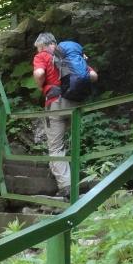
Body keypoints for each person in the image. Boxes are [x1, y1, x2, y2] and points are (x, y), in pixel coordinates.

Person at [32, 32, 98, 198]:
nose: (38, 50)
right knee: (71, 141)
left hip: (55, 103)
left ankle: (67, 186)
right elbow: (93, 76)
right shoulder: (71, 56)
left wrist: (41, 86)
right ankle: (80, 178)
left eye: (38, 48)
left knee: (56, 146)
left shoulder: (42, 56)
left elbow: (40, 74)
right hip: (75, 103)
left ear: (42, 46)